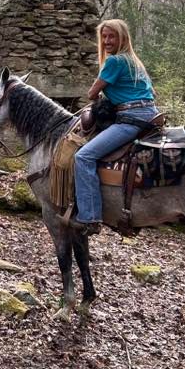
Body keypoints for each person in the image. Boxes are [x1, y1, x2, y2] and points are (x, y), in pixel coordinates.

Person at [71, 18, 160, 235]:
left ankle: (89, 217)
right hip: (152, 114)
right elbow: (152, 93)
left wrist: (105, 96)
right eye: (104, 36)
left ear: (122, 38)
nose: (107, 41)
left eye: (112, 36)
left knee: (83, 157)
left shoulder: (115, 62)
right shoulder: (135, 62)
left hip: (131, 118)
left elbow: (92, 93)